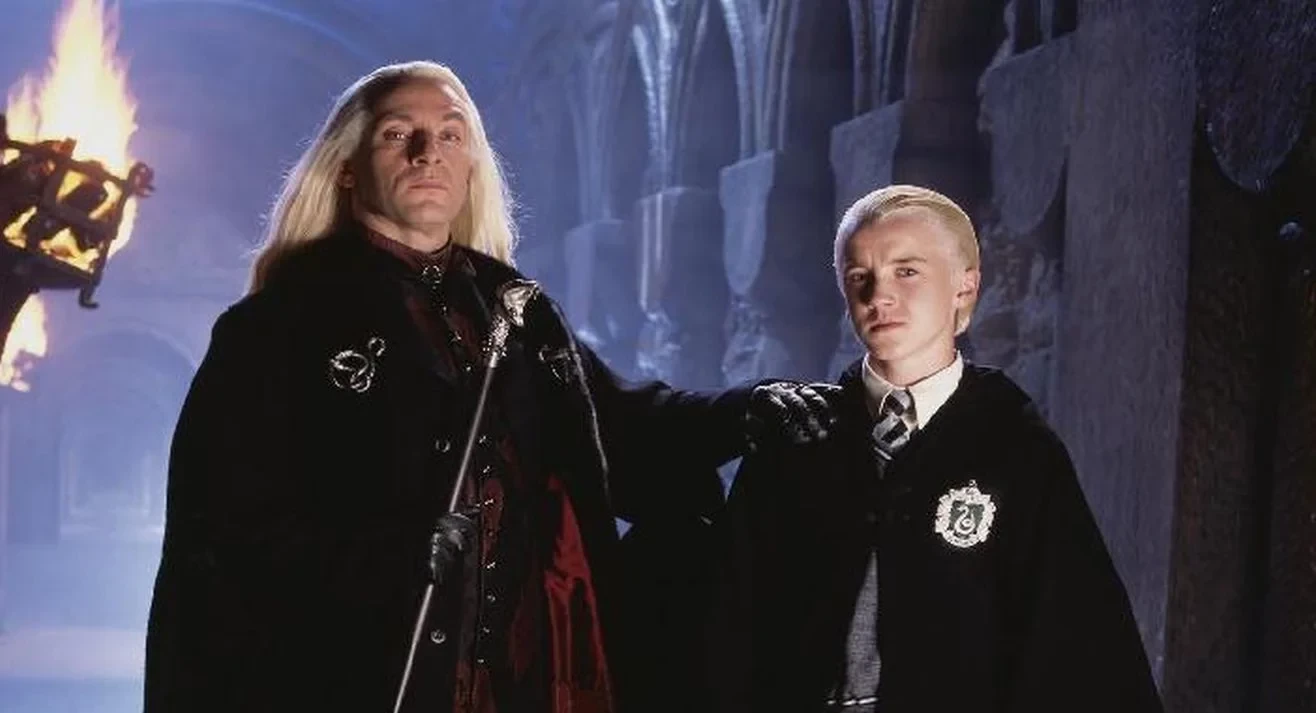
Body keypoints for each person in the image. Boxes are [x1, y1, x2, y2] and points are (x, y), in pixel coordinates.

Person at [143, 60, 832, 713]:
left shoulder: (516, 307)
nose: (428, 153)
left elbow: (619, 425)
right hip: (364, 670)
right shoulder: (278, 326)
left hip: (523, 673)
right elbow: (222, 531)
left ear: (472, 163)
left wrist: (747, 408)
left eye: (451, 135)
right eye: (398, 134)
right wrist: (385, 557)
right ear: (348, 168)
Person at [709, 184, 1163, 713]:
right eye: (858, 276)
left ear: (965, 287)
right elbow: (730, 626)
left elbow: (1076, 640)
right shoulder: (797, 440)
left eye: (907, 271)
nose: (878, 295)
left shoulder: (1014, 449)